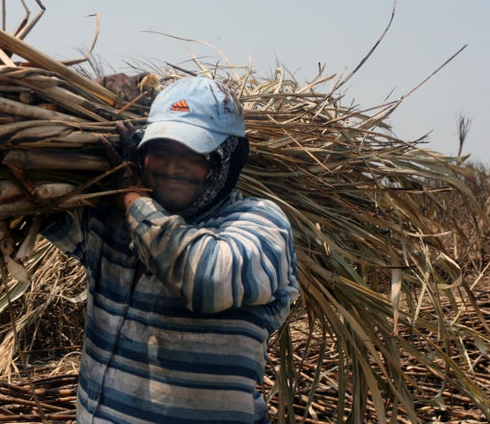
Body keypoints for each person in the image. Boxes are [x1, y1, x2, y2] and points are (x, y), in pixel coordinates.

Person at [42, 75, 299, 423]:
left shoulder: (259, 223)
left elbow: (206, 280)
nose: (172, 167)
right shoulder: (111, 222)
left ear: (225, 160)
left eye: (194, 154)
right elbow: (35, 202)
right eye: (161, 152)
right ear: (140, 154)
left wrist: (132, 196)